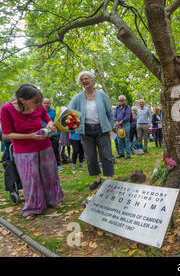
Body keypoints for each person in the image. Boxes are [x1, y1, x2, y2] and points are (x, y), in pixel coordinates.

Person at [1, 84, 64, 220]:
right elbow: (7, 134)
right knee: (30, 178)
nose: (37, 105)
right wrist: (31, 135)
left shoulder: (38, 105)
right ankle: (33, 207)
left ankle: (53, 200)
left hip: (44, 145)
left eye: (38, 102)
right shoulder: (6, 110)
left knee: (50, 174)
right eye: (34, 102)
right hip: (24, 150)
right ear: (22, 100)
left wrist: (49, 126)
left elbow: (47, 120)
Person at [68, 71, 115, 191]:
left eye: (86, 78)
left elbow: (110, 112)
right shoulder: (78, 97)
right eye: (82, 79)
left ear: (92, 80)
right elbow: (69, 111)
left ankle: (108, 179)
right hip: (86, 130)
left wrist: (110, 127)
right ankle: (97, 179)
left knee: (106, 155)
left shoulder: (102, 95)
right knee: (91, 156)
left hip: (102, 129)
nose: (84, 81)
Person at [42, 98, 63, 171]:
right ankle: (47, 165)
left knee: (55, 150)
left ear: (50, 104)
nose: (46, 105)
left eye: (48, 103)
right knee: (44, 151)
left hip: (53, 134)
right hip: (42, 133)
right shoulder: (39, 112)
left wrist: (53, 132)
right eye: (44, 103)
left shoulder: (54, 112)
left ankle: (57, 164)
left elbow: (57, 123)